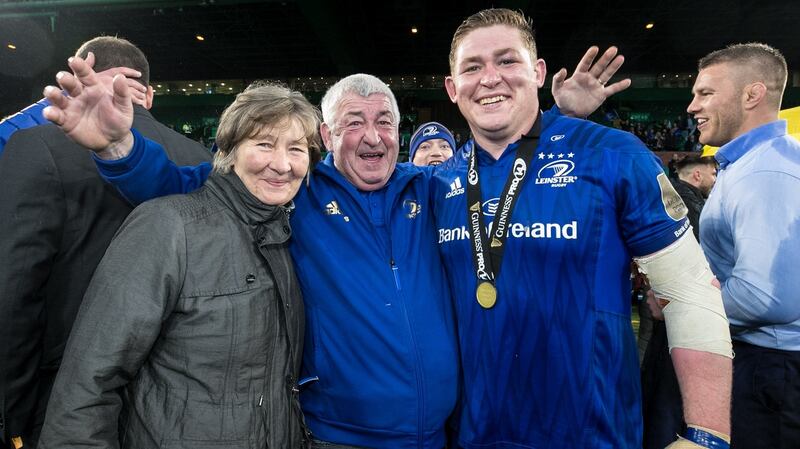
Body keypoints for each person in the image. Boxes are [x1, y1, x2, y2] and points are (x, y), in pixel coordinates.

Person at [38, 37, 629, 448]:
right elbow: (179, 190)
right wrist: (118, 149)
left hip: (443, 435)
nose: (371, 137)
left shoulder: (438, 188)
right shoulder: (292, 189)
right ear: (326, 135)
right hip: (340, 439)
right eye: (353, 123)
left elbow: (510, 175)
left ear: (400, 132)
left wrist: (553, 117)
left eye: (384, 122)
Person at [434, 8, 731, 448]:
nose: (490, 77)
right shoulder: (436, 184)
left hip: (591, 432)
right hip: (472, 434)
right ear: (452, 87)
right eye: (472, 67)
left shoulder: (612, 154)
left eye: (507, 60)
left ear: (537, 72)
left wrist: (707, 433)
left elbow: (689, 289)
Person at [37, 81, 315, 449]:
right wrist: (119, 147)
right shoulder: (169, 225)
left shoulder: (285, 235)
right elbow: (89, 382)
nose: (281, 164)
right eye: (264, 144)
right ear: (229, 151)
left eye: (295, 149)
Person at [0, 36, 211, 449]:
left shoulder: (33, 146)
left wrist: (12, 412)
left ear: (80, 82)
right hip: (177, 401)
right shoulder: (198, 157)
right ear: (148, 94)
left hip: (57, 399)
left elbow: (12, 292)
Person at [689, 43, 800, 449]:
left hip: (771, 368)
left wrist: (681, 309)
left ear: (752, 95)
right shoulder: (753, 165)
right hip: (766, 365)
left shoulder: (765, 172)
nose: (692, 106)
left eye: (705, 93)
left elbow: (766, 297)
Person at [640, 153, 718, 449]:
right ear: (697, 175)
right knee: (672, 392)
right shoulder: (690, 206)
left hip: (661, 303)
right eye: (712, 173)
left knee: (653, 372)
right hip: (678, 309)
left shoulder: (660, 193)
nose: (715, 180)